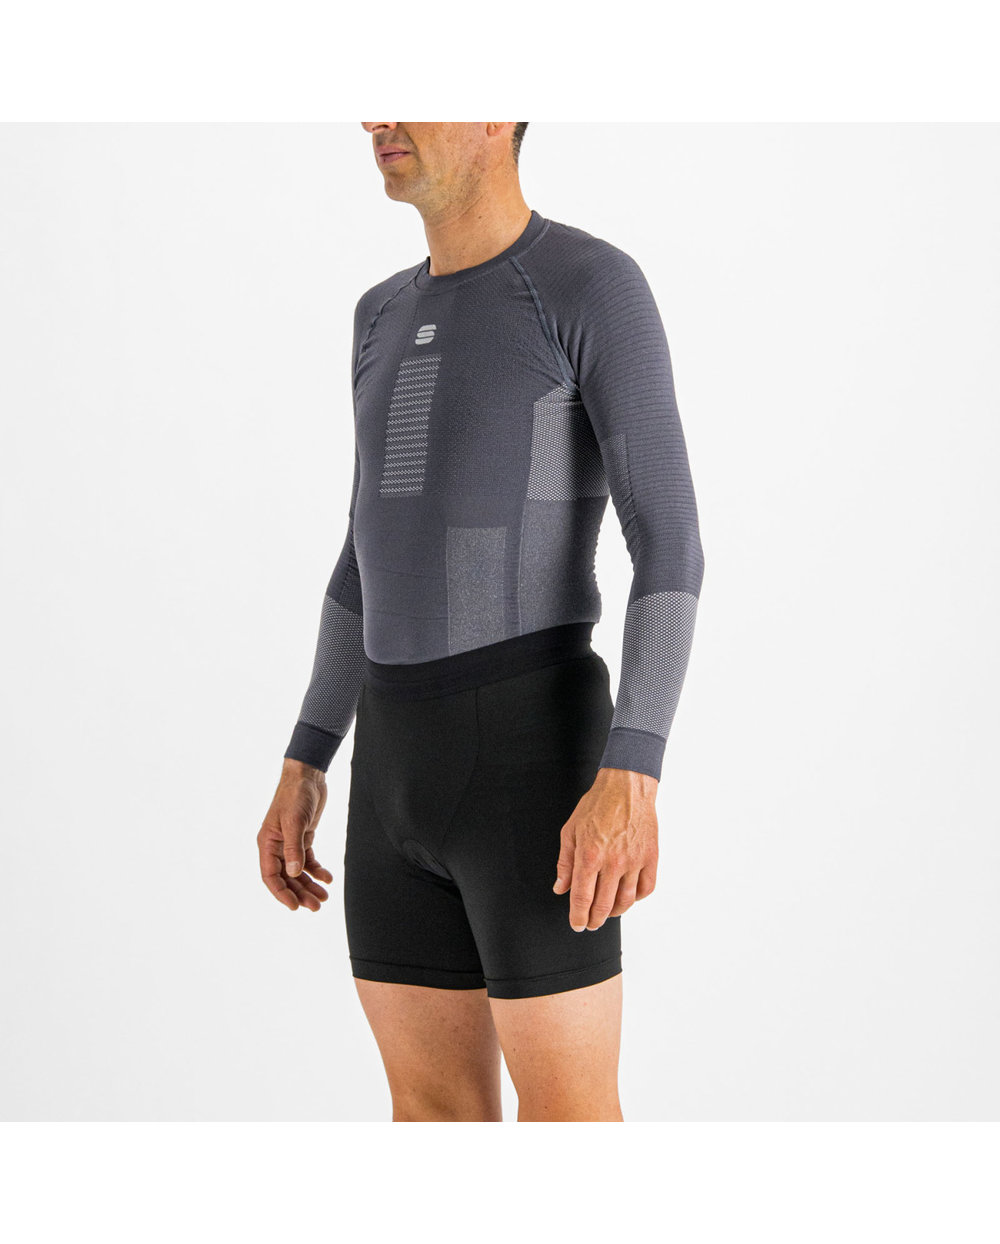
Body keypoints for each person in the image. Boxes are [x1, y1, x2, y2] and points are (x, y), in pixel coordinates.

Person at [257, 122, 705, 1121]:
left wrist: (634, 768)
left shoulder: (588, 285)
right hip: (393, 763)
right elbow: (363, 558)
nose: (377, 116)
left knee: (569, 1120)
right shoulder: (379, 313)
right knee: (429, 1116)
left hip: (528, 762)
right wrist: (308, 754)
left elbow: (669, 543)